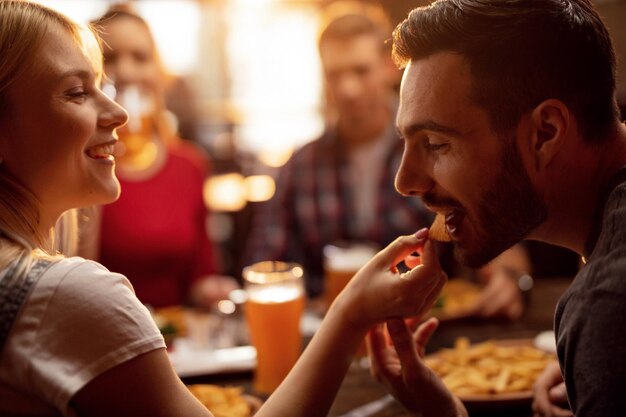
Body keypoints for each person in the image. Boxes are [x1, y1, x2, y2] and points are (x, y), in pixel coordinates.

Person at [0, 2, 446, 415]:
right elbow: (261, 264)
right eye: (77, 92)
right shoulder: (72, 294)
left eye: (103, 86)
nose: (117, 110)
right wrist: (350, 312)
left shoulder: (39, 282)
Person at [366, 1, 626, 416]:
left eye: (435, 144)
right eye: (405, 144)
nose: (405, 182)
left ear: (544, 133)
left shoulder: (608, 304)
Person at [244, 3, 531, 320]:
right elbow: (265, 264)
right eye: (334, 74)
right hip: (331, 342)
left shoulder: (439, 146)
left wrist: (509, 279)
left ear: (388, 66)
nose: (348, 88)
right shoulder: (299, 167)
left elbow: (500, 244)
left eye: (360, 70)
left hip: (430, 331)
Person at [85, 4, 237, 309]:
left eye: (140, 57)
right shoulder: (78, 166)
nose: (125, 71)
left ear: (158, 72)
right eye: (109, 58)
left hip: (176, 343)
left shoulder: (190, 165)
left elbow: (200, 276)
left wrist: (213, 290)